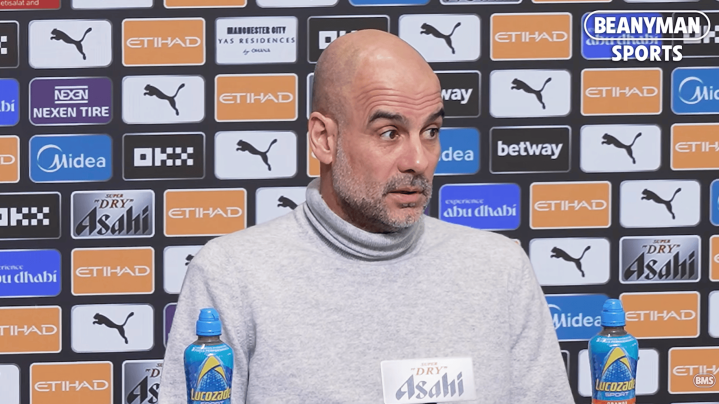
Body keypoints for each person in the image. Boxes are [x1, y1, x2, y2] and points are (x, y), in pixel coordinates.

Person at [159, 29, 574, 404]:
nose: (418, 160)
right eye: (389, 133)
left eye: (430, 131)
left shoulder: (500, 268)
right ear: (324, 139)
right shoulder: (231, 276)